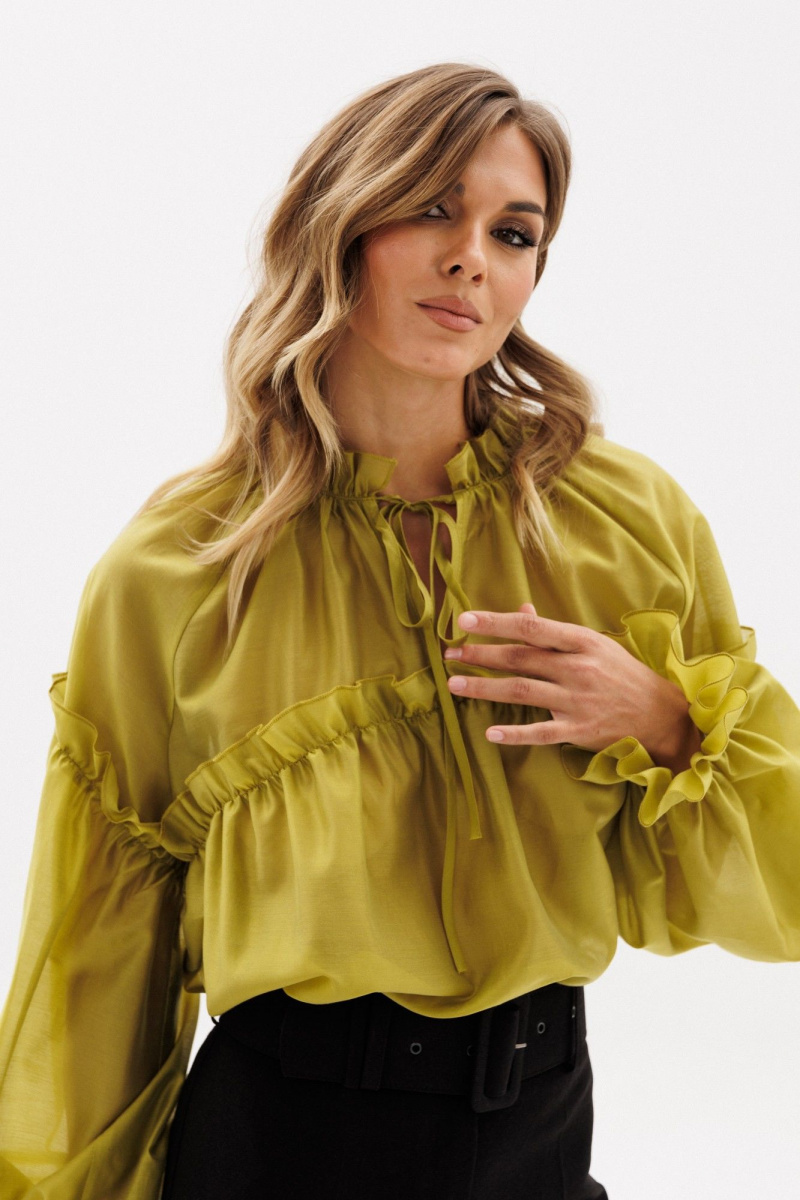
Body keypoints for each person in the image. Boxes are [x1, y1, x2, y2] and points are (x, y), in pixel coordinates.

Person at [1, 60, 799, 1200]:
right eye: (430, 208)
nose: (471, 257)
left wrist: (668, 722)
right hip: (286, 1145)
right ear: (338, 226)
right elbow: (97, 952)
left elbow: (776, 883)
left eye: (513, 233)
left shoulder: (625, 525)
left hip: (540, 1126)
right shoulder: (179, 572)